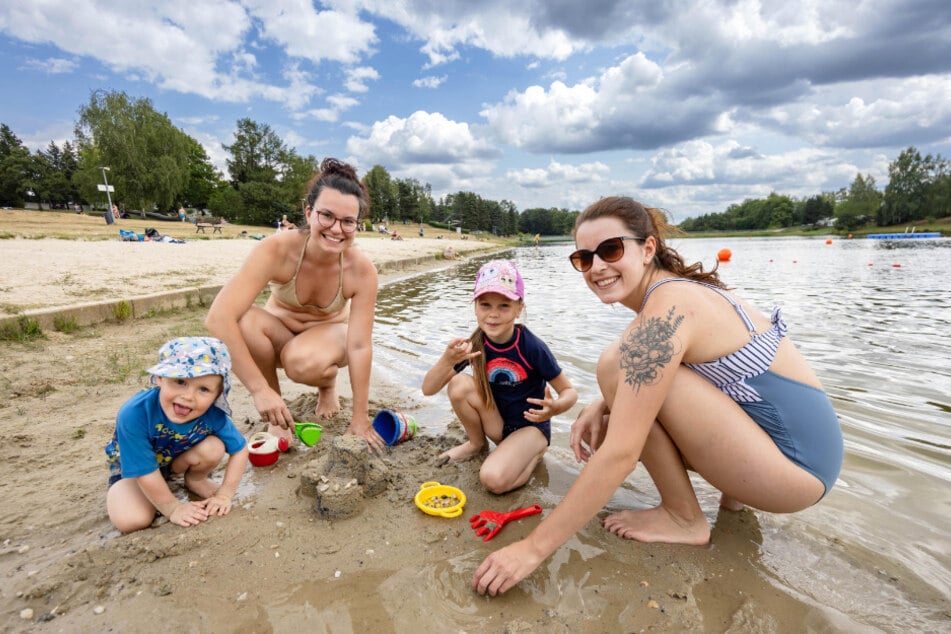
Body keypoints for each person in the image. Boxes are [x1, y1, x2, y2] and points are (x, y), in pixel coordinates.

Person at [472, 196, 843, 596]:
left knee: (616, 365)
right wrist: (605, 402)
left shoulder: (666, 310)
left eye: (611, 249)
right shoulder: (679, 293)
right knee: (622, 377)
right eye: (584, 257)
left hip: (794, 472)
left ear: (648, 248)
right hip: (800, 458)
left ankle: (684, 518)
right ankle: (730, 504)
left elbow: (621, 453)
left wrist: (532, 548)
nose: (597, 267)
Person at [205, 158, 385, 452]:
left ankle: (327, 385)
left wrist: (360, 418)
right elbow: (218, 318)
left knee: (299, 361)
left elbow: (360, 346)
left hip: (328, 341)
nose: (336, 229)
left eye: (348, 221)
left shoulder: (361, 269)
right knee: (243, 321)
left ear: (357, 225)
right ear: (309, 212)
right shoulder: (276, 249)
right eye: (326, 216)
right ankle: (276, 413)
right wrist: (259, 391)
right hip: (278, 336)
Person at [422, 260, 578, 494]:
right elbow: (428, 389)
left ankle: (533, 456)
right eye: (485, 305)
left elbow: (570, 392)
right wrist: (447, 360)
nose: (493, 315)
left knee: (492, 480)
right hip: (498, 425)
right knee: (458, 384)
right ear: (475, 306)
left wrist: (554, 408)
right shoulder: (475, 344)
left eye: (504, 306)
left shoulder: (531, 346)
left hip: (530, 428)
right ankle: (476, 444)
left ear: (519, 308)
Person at [105, 337, 249, 534]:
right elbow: (145, 472)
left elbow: (240, 450)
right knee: (132, 520)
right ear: (160, 378)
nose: (188, 396)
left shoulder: (213, 414)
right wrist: (173, 508)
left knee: (214, 446)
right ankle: (142, 493)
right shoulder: (135, 413)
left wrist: (225, 494)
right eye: (180, 382)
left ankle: (195, 480)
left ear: (217, 395)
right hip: (136, 469)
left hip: (174, 460)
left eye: (204, 389)